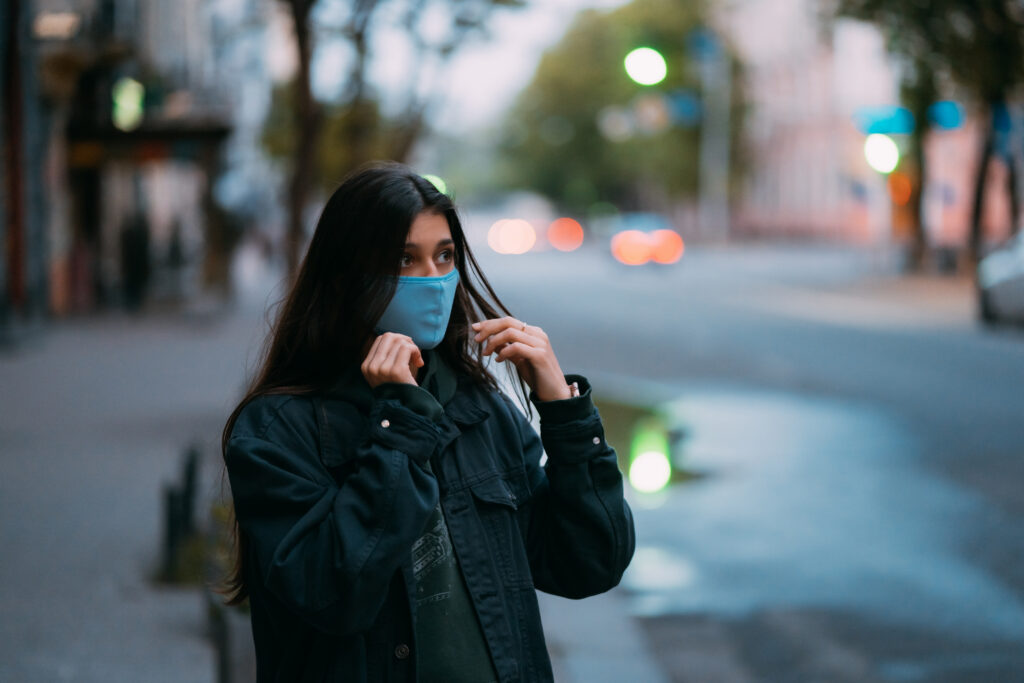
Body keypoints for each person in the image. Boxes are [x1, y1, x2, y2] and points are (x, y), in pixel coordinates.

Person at [220, 162, 635, 683]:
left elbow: (589, 563)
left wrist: (564, 411)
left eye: (444, 257)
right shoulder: (277, 429)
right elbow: (334, 595)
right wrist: (399, 424)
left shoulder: (479, 408)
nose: (434, 281)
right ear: (347, 275)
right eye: (403, 259)